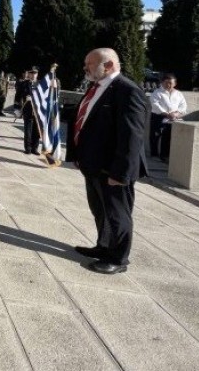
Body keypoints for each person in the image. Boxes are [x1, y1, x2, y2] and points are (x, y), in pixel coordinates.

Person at [65, 48, 149, 275]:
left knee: (117, 214)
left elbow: (131, 137)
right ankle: (103, 246)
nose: (85, 69)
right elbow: (83, 122)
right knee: (100, 210)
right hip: (92, 164)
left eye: (90, 65)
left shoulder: (128, 91)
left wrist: (121, 174)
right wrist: (77, 156)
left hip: (113, 169)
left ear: (109, 65)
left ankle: (119, 258)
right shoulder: (96, 88)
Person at [149, 72, 187, 161]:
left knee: (167, 137)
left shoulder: (179, 94)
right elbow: (155, 105)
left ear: (175, 83)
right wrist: (166, 113)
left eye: (171, 83)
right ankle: (154, 154)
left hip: (173, 118)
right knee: (155, 136)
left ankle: (165, 155)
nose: (169, 85)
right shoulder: (157, 92)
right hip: (159, 116)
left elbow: (183, 106)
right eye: (166, 83)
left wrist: (177, 113)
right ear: (162, 82)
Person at [15, 66, 41, 154]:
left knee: (36, 131)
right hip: (28, 110)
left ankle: (35, 148)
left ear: (37, 74)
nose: (33, 75)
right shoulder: (24, 84)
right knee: (28, 130)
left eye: (35, 73)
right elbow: (17, 97)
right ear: (28, 74)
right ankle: (28, 148)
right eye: (31, 73)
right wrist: (17, 109)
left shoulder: (41, 85)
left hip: (38, 111)